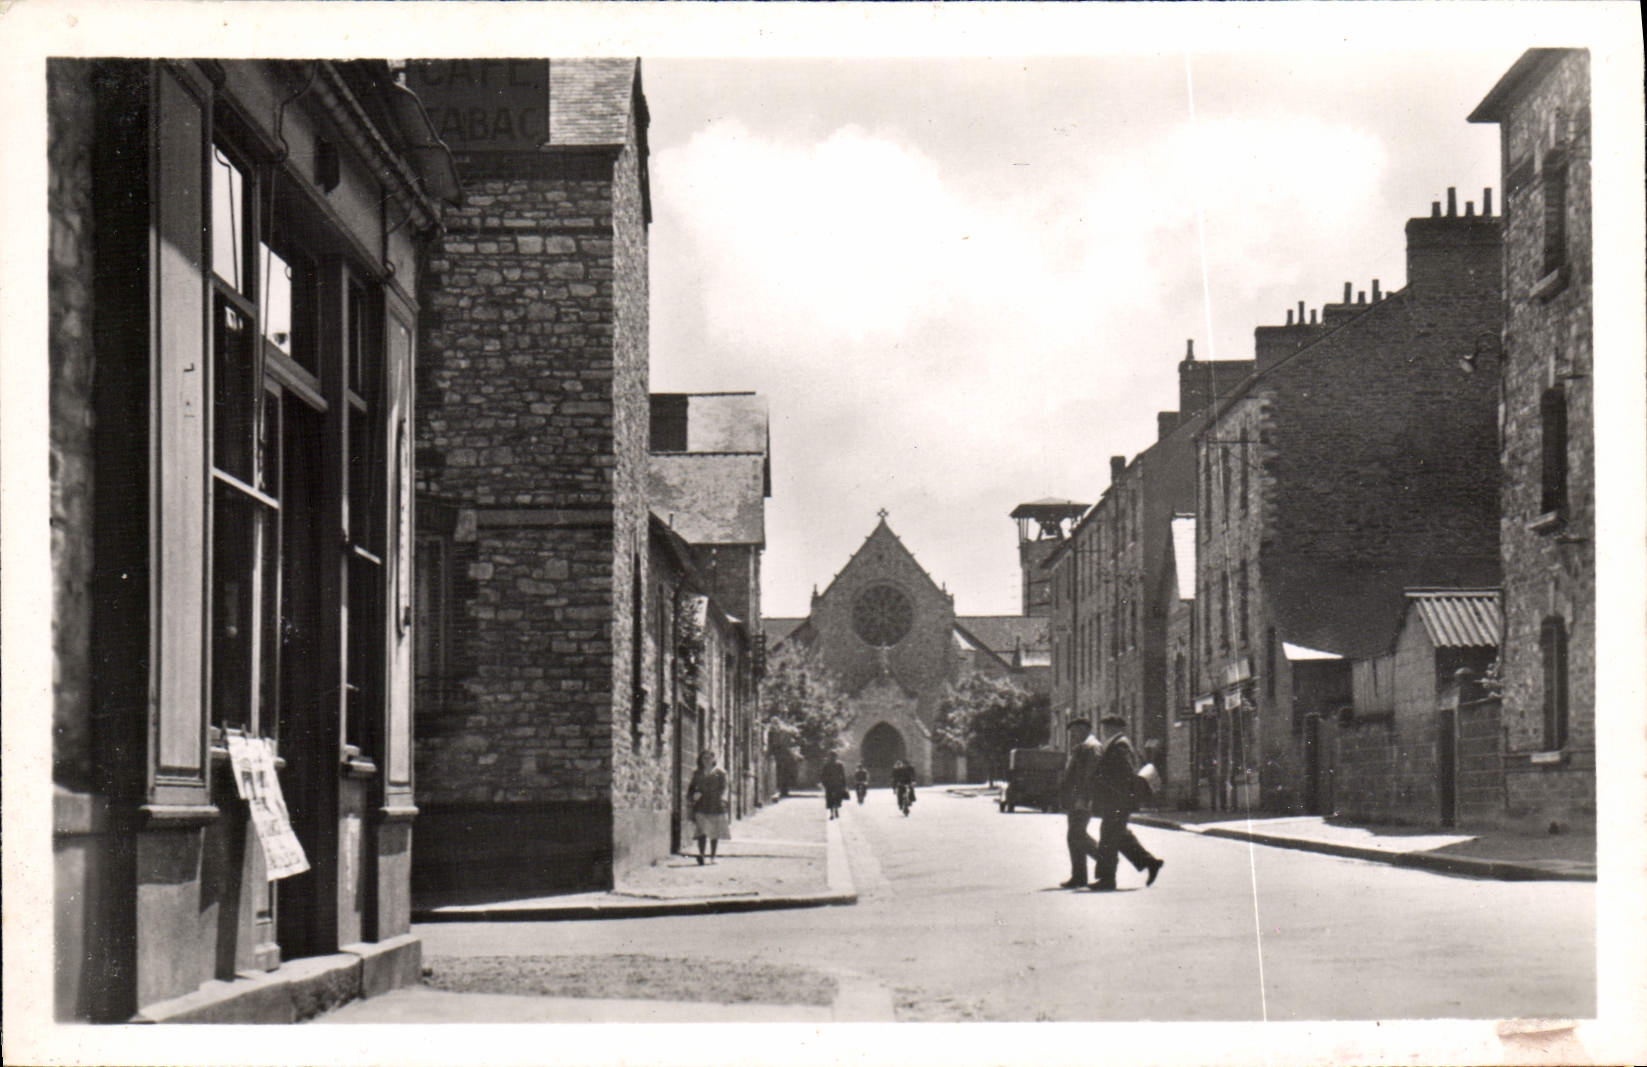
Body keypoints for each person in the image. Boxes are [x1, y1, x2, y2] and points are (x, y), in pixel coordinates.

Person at [1090, 714, 1164, 891]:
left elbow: (1124, 772)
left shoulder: (1120, 744)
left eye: (1107, 727)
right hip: (1117, 798)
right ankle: (1150, 862)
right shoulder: (1118, 743)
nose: (1104, 730)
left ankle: (1107, 879)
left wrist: (1107, 782)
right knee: (1119, 835)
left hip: (1117, 799)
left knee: (1108, 837)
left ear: (1116, 728)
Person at [1059, 718, 1105, 888]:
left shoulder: (1091, 747)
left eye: (1075, 731)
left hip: (1082, 799)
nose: (1073, 735)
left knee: (1076, 835)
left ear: (1085, 729)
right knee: (1073, 837)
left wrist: (1083, 798)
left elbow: (1090, 775)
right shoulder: (1082, 747)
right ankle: (1079, 876)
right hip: (1075, 798)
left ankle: (1105, 858)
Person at [687, 748, 730, 865]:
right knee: (701, 831)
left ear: (713, 759)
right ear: (700, 760)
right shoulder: (697, 773)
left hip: (715, 804)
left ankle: (712, 856)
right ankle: (701, 855)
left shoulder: (720, 773)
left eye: (709, 758)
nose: (706, 760)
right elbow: (691, 788)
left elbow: (724, 788)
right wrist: (693, 795)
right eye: (704, 758)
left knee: (713, 831)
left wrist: (722, 799)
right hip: (701, 805)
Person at [820, 752, 849, 820]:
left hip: (831, 784)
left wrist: (824, 783)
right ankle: (835, 810)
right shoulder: (838, 765)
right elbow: (842, 775)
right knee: (836, 797)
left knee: (830, 798)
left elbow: (823, 775)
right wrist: (844, 784)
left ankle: (832, 812)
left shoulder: (827, 765)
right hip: (836, 784)